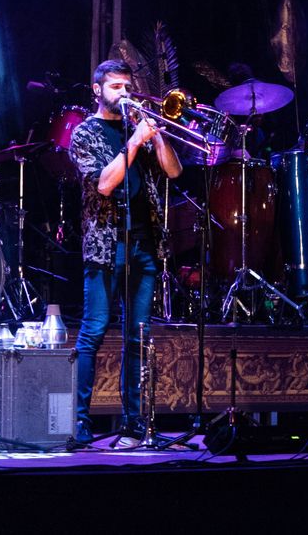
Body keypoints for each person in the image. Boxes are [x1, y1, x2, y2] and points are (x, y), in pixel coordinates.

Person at [67, 59, 182, 447]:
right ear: (97, 90)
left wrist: (157, 136)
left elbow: (174, 172)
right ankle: (80, 421)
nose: (124, 93)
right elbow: (103, 184)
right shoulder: (84, 133)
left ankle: (135, 421)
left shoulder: (138, 127)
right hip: (106, 245)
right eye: (116, 86)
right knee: (94, 331)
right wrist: (133, 143)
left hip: (144, 244)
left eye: (127, 87)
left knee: (138, 336)